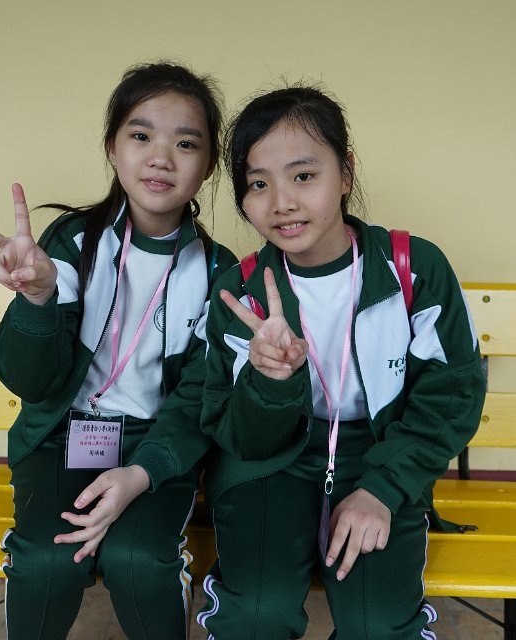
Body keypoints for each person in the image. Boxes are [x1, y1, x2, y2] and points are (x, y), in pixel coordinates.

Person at [0, 61, 236, 640]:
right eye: (141, 135)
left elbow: (201, 398)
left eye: (186, 144)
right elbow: (34, 383)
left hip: (154, 445)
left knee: (140, 561)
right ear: (112, 147)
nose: (161, 157)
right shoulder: (71, 242)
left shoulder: (217, 271)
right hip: (60, 439)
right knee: (47, 560)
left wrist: (144, 472)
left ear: (208, 166)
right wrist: (37, 299)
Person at [196, 85, 486, 638]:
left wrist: (383, 488)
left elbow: (452, 395)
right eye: (258, 184)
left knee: (378, 628)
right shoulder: (242, 293)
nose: (281, 202)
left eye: (304, 175)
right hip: (269, 466)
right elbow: (237, 436)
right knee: (255, 616)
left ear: (346, 173)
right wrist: (269, 382)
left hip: (381, 453)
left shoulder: (413, 269)